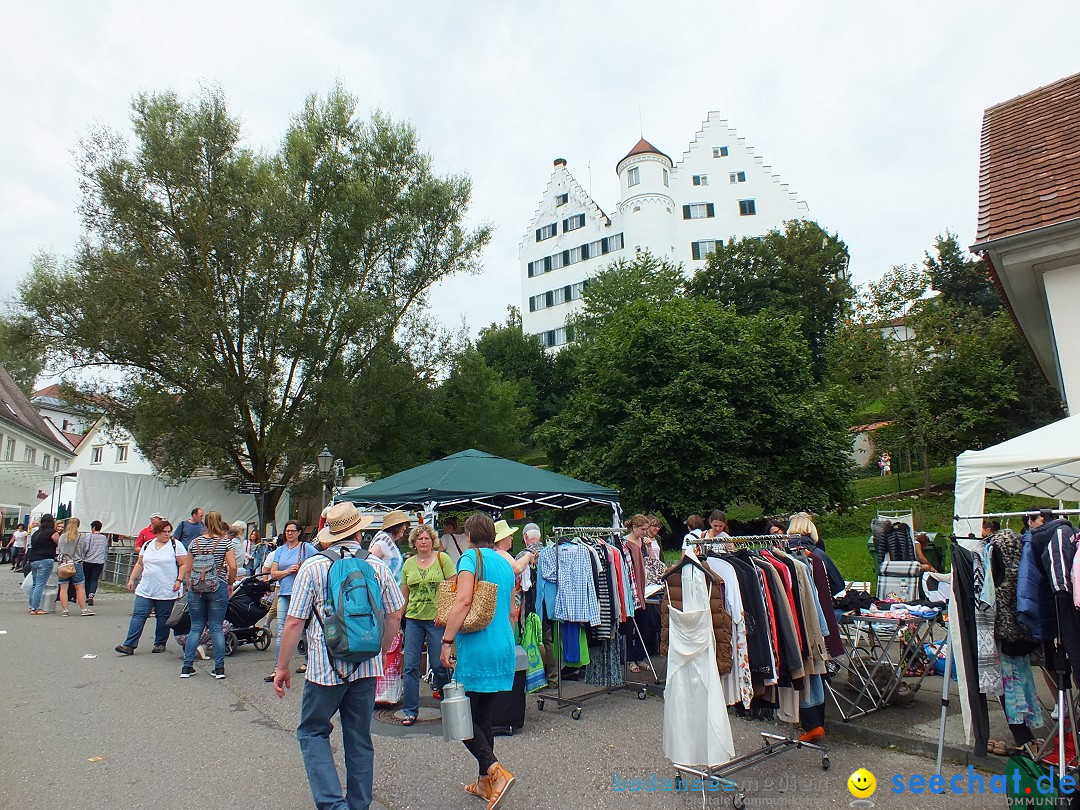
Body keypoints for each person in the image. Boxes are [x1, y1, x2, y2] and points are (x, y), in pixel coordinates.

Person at [273, 501, 404, 810]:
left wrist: (282, 667)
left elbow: (294, 621)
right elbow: (396, 614)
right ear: (359, 532)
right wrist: (381, 652)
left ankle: (333, 805)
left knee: (313, 732)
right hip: (366, 667)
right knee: (359, 739)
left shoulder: (314, 566)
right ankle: (359, 804)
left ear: (331, 534)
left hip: (324, 669)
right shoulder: (377, 565)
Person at [439, 512, 517, 808]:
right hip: (503, 645)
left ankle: (495, 771)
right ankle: (484, 782)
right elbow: (512, 610)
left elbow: (463, 600)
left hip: (477, 647)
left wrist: (447, 641)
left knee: (462, 720)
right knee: (481, 715)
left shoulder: (470, 558)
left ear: (469, 536)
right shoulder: (505, 564)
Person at [399, 524, 456, 725]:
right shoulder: (408, 565)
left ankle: (449, 704)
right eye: (419, 539)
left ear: (433, 541)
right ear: (413, 543)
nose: (423, 542)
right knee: (410, 666)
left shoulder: (443, 560)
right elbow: (404, 594)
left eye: (427, 539)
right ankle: (410, 711)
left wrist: (445, 613)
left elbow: (453, 587)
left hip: (436, 620)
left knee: (439, 664)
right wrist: (398, 618)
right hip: (414, 619)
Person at [116, 520, 190, 654]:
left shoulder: (176, 545)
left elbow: (183, 564)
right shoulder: (147, 545)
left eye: (169, 532)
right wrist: (132, 579)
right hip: (146, 587)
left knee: (163, 616)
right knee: (139, 614)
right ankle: (129, 645)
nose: (167, 534)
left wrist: (179, 580)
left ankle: (160, 643)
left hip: (166, 587)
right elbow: (140, 563)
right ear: (157, 533)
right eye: (164, 532)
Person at [180, 511, 236, 679]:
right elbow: (233, 567)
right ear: (220, 523)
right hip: (217, 586)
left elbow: (188, 569)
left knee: (196, 627)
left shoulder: (194, 542)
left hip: (196, 589)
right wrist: (230, 582)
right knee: (216, 627)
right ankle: (219, 669)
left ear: (204, 523)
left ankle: (187, 667)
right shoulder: (225, 542)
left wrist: (192, 584)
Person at [264, 520, 317, 683]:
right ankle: (277, 668)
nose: (289, 534)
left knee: (305, 631)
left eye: (293, 531)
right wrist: (288, 571)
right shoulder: (280, 550)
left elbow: (319, 564)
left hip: (302, 594)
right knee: (281, 631)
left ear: (299, 532)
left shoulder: (306, 548)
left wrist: (304, 569)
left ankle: (309, 662)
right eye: (287, 531)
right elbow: (273, 574)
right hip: (284, 593)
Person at [56, 518, 93, 617]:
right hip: (76, 563)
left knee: (63, 588)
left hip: (63, 563)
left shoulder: (62, 537)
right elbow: (85, 550)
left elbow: (58, 550)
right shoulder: (82, 537)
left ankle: (65, 609)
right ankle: (83, 609)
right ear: (78, 525)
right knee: (79, 587)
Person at [26, 514, 59, 615]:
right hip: (45, 559)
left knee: (35, 584)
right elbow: (59, 543)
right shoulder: (53, 532)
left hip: (34, 559)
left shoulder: (36, 533)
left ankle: (32, 606)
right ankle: (36, 608)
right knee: (41, 584)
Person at [369, 510, 408, 582]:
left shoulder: (390, 543)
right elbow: (367, 559)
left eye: (405, 525)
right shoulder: (383, 543)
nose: (405, 528)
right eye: (403, 525)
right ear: (395, 526)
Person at [82, 520, 109, 605]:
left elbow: (86, 548)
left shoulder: (89, 537)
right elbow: (105, 549)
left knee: (87, 579)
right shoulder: (104, 538)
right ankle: (92, 594)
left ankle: (87, 596)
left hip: (88, 560)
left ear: (93, 527)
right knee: (94, 579)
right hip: (99, 561)